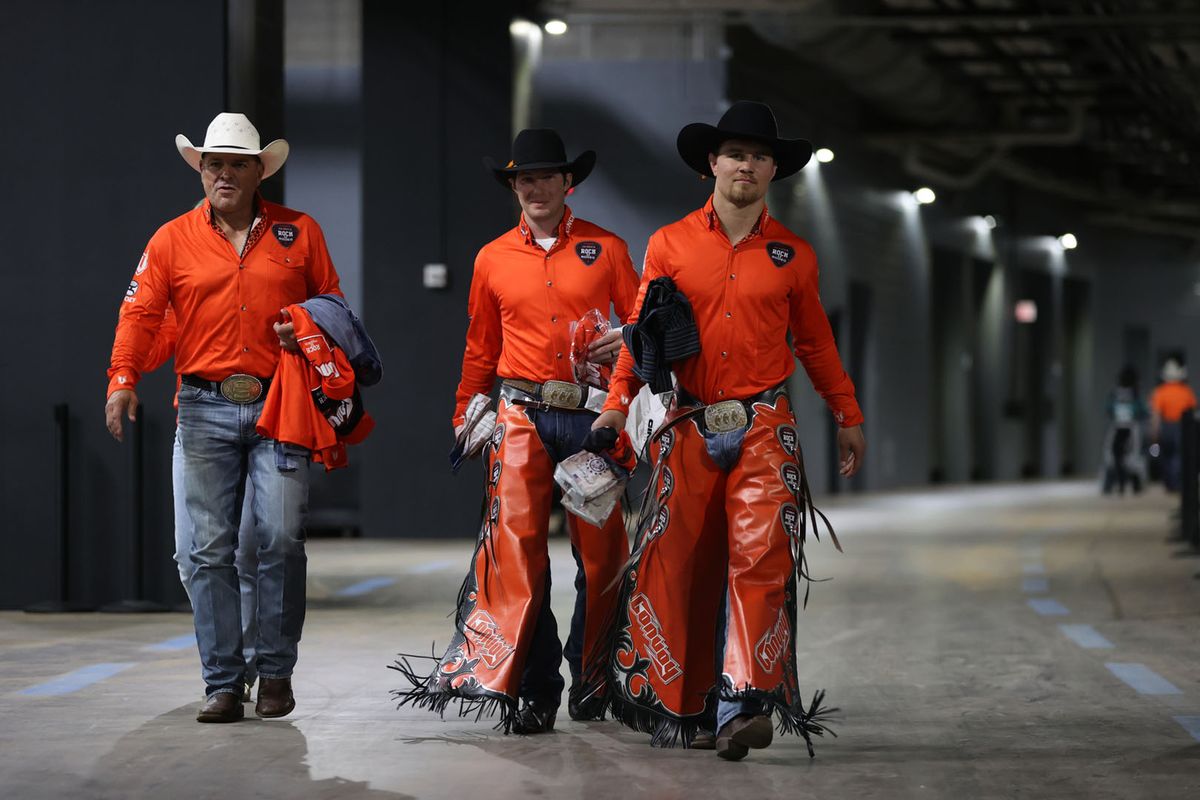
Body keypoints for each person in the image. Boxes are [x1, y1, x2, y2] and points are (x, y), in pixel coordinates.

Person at [588, 101, 866, 761]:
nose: (747, 165)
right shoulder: (670, 244)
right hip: (686, 420)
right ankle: (688, 705)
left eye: (760, 156)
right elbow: (642, 332)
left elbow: (816, 341)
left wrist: (847, 412)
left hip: (767, 423)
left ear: (773, 169)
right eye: (735, 154)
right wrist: (615, 401)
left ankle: (744, 702)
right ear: (712, 163)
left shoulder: (792, 255)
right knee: (681, 564)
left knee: (762, 555)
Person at [393, 129, 638, 734]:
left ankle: (594, 674)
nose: (532, 187)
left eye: (544, 177)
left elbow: (640, 334)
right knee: (518, 560)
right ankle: (536, 687)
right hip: (520, 415)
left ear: (566, 183)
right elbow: (481, 347)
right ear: (514, 188)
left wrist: (624, 385)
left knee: (604, 558)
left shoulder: (607, 249)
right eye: (522, 179)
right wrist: (465, 411)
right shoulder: (492, 257)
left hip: (591, 422)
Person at [105, 112, 342, 723]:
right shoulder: (171, 239)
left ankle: (276, 673)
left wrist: (311, 328)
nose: (226, 174)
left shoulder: (300, 232)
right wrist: (123, 379)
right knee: (202, 552)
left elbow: (335, 304)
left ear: (260, 171)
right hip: (203, 409)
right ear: (201, 171)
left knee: (281, 541)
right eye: (215, 164)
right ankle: (223, 682)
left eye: (239, 163)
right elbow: (138, 315)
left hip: (279, 404)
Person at [1150, 356, 1197, 493]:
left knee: (1166, 455)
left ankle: (1169, 483)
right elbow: (1193, 410)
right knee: (1178, 455)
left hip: (1166, 426)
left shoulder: (1160, 392)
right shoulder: (1186, 391)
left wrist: (1154, 431)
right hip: (1182, 427)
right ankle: (1176, 482)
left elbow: (1156, 414)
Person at [1101, 365, 1147, 495]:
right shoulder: (1135, 394)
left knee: (1112, 456)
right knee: (1133, 458)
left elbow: (1109, 410)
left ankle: (1111, 485)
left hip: (1117, 428)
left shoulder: (1115, 393)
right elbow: (1142, 411)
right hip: (1131, 428)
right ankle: (1135, 485)